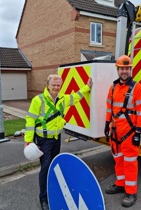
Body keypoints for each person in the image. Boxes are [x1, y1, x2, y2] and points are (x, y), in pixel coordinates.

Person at [24, 74, 93, 210]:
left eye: (58, 85)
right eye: (53, 85)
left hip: (56, 139)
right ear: (48, 85)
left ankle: (53, 192)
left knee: (54, 166)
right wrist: (28, 140)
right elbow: (30, 120)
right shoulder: (39, 100)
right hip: (43, 141)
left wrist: (87, 87)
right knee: (45, 168)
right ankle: (43, 198)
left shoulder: (63, 99)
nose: (56, 87)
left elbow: (76, 97)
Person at [104, 55, 141, 207]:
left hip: (129, 131)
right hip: (115, 130)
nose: (124, 71)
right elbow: (109, 107)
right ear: (118, 69)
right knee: (118, 159)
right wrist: (106, 123)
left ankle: (131, 191)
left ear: (130, 70)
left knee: (130, 162)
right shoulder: (113, 87)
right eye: (121, 68)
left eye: (127, 68)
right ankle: (120, 183)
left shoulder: (138, 88)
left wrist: (138, 132)